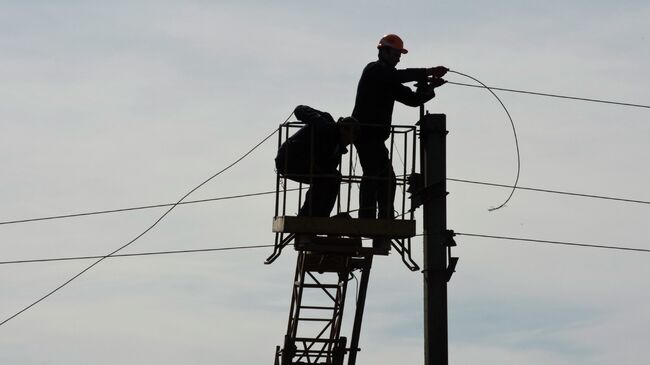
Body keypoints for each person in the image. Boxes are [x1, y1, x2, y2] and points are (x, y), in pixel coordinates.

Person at [352, 33, 448, 219]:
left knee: (386, 178)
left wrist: (430, 88)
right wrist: (428, 71)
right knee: (374, 173)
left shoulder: (389, 80)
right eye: (396, 54)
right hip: (365, 133)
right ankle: (368, 216)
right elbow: (398, 76)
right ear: (384, 51)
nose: (398, 58)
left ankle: (383, 215)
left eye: (399, 55)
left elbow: (412, 99)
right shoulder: (375, 70)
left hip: (376, 136)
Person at [275, 105, 359, 217]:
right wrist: (319, 122)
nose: (349, 142)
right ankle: (307, 215)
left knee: (332, 178)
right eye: (349, 137)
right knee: (326, 177)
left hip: (309, 164)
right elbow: (300, 109)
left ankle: (320, 215)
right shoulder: (327, 121)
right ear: (343, 129)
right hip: (290, 158)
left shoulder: (337, 151)